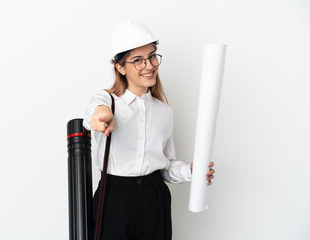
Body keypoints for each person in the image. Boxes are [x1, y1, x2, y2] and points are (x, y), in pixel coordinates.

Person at [83, 21, 215, 240]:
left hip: (155, 198)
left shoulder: (164, 112)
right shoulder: (107, 101)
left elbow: (165, 167)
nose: (149, 65)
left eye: (152, 56)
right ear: (120, 67)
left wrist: (192, 172)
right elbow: (94, 113)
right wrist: (100, 115)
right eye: (138, 60)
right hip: (113, 199)